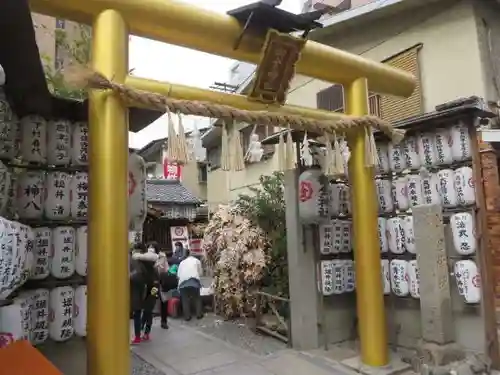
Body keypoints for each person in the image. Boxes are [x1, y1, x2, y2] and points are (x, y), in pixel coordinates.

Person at [130, 243, 159, 344]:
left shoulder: (139, 259)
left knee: (140, 312)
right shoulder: (148, 259)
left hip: (147, 287)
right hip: (153, 286)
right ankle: (145, 333)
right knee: (148, 311)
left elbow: (136, 275)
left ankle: (140, 335)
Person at [177, 249, 203, 321]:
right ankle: (199, 315)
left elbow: (178, 275)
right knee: (197, 298)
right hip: (194, 281)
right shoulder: (197, 261)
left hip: (182, 283)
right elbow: (200, 273)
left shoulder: (182, 262)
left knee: (185, 300)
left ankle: (187, 317)